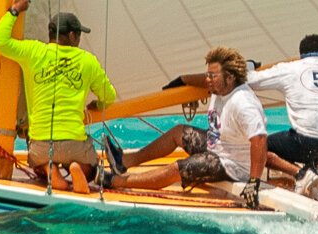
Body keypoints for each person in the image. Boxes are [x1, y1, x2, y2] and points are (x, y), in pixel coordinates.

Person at [0, 0, 118, 193]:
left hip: (41, 144)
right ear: (72, 36)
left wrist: (15, 10)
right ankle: (78, 170)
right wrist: (99, 104)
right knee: (91, 168)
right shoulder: (88, 60)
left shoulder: (33, 51)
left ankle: (50, 171)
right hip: (74, 144)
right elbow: (109, 96)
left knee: (38, 161)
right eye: (79, 34)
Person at [110, 47, 269, 208]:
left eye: (212, 76)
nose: (207, 80)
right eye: (207, 74)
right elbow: (244, 67)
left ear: (230, 77)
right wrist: (184, 79)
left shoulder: (244, 103)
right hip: (217, 146)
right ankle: (125, 161)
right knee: (178, 132)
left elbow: (260, 140)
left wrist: (253, 182)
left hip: (233, 165)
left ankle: (115, 181)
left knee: (179, 168)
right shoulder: (221, 85)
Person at [247, 34, 318, 179]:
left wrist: (249, 65)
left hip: (305, 143)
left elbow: (250, 80)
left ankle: (300, 174)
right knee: (315, 128)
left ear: (301, 55)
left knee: (261, 147)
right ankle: (311, 171)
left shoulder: (290, 69)